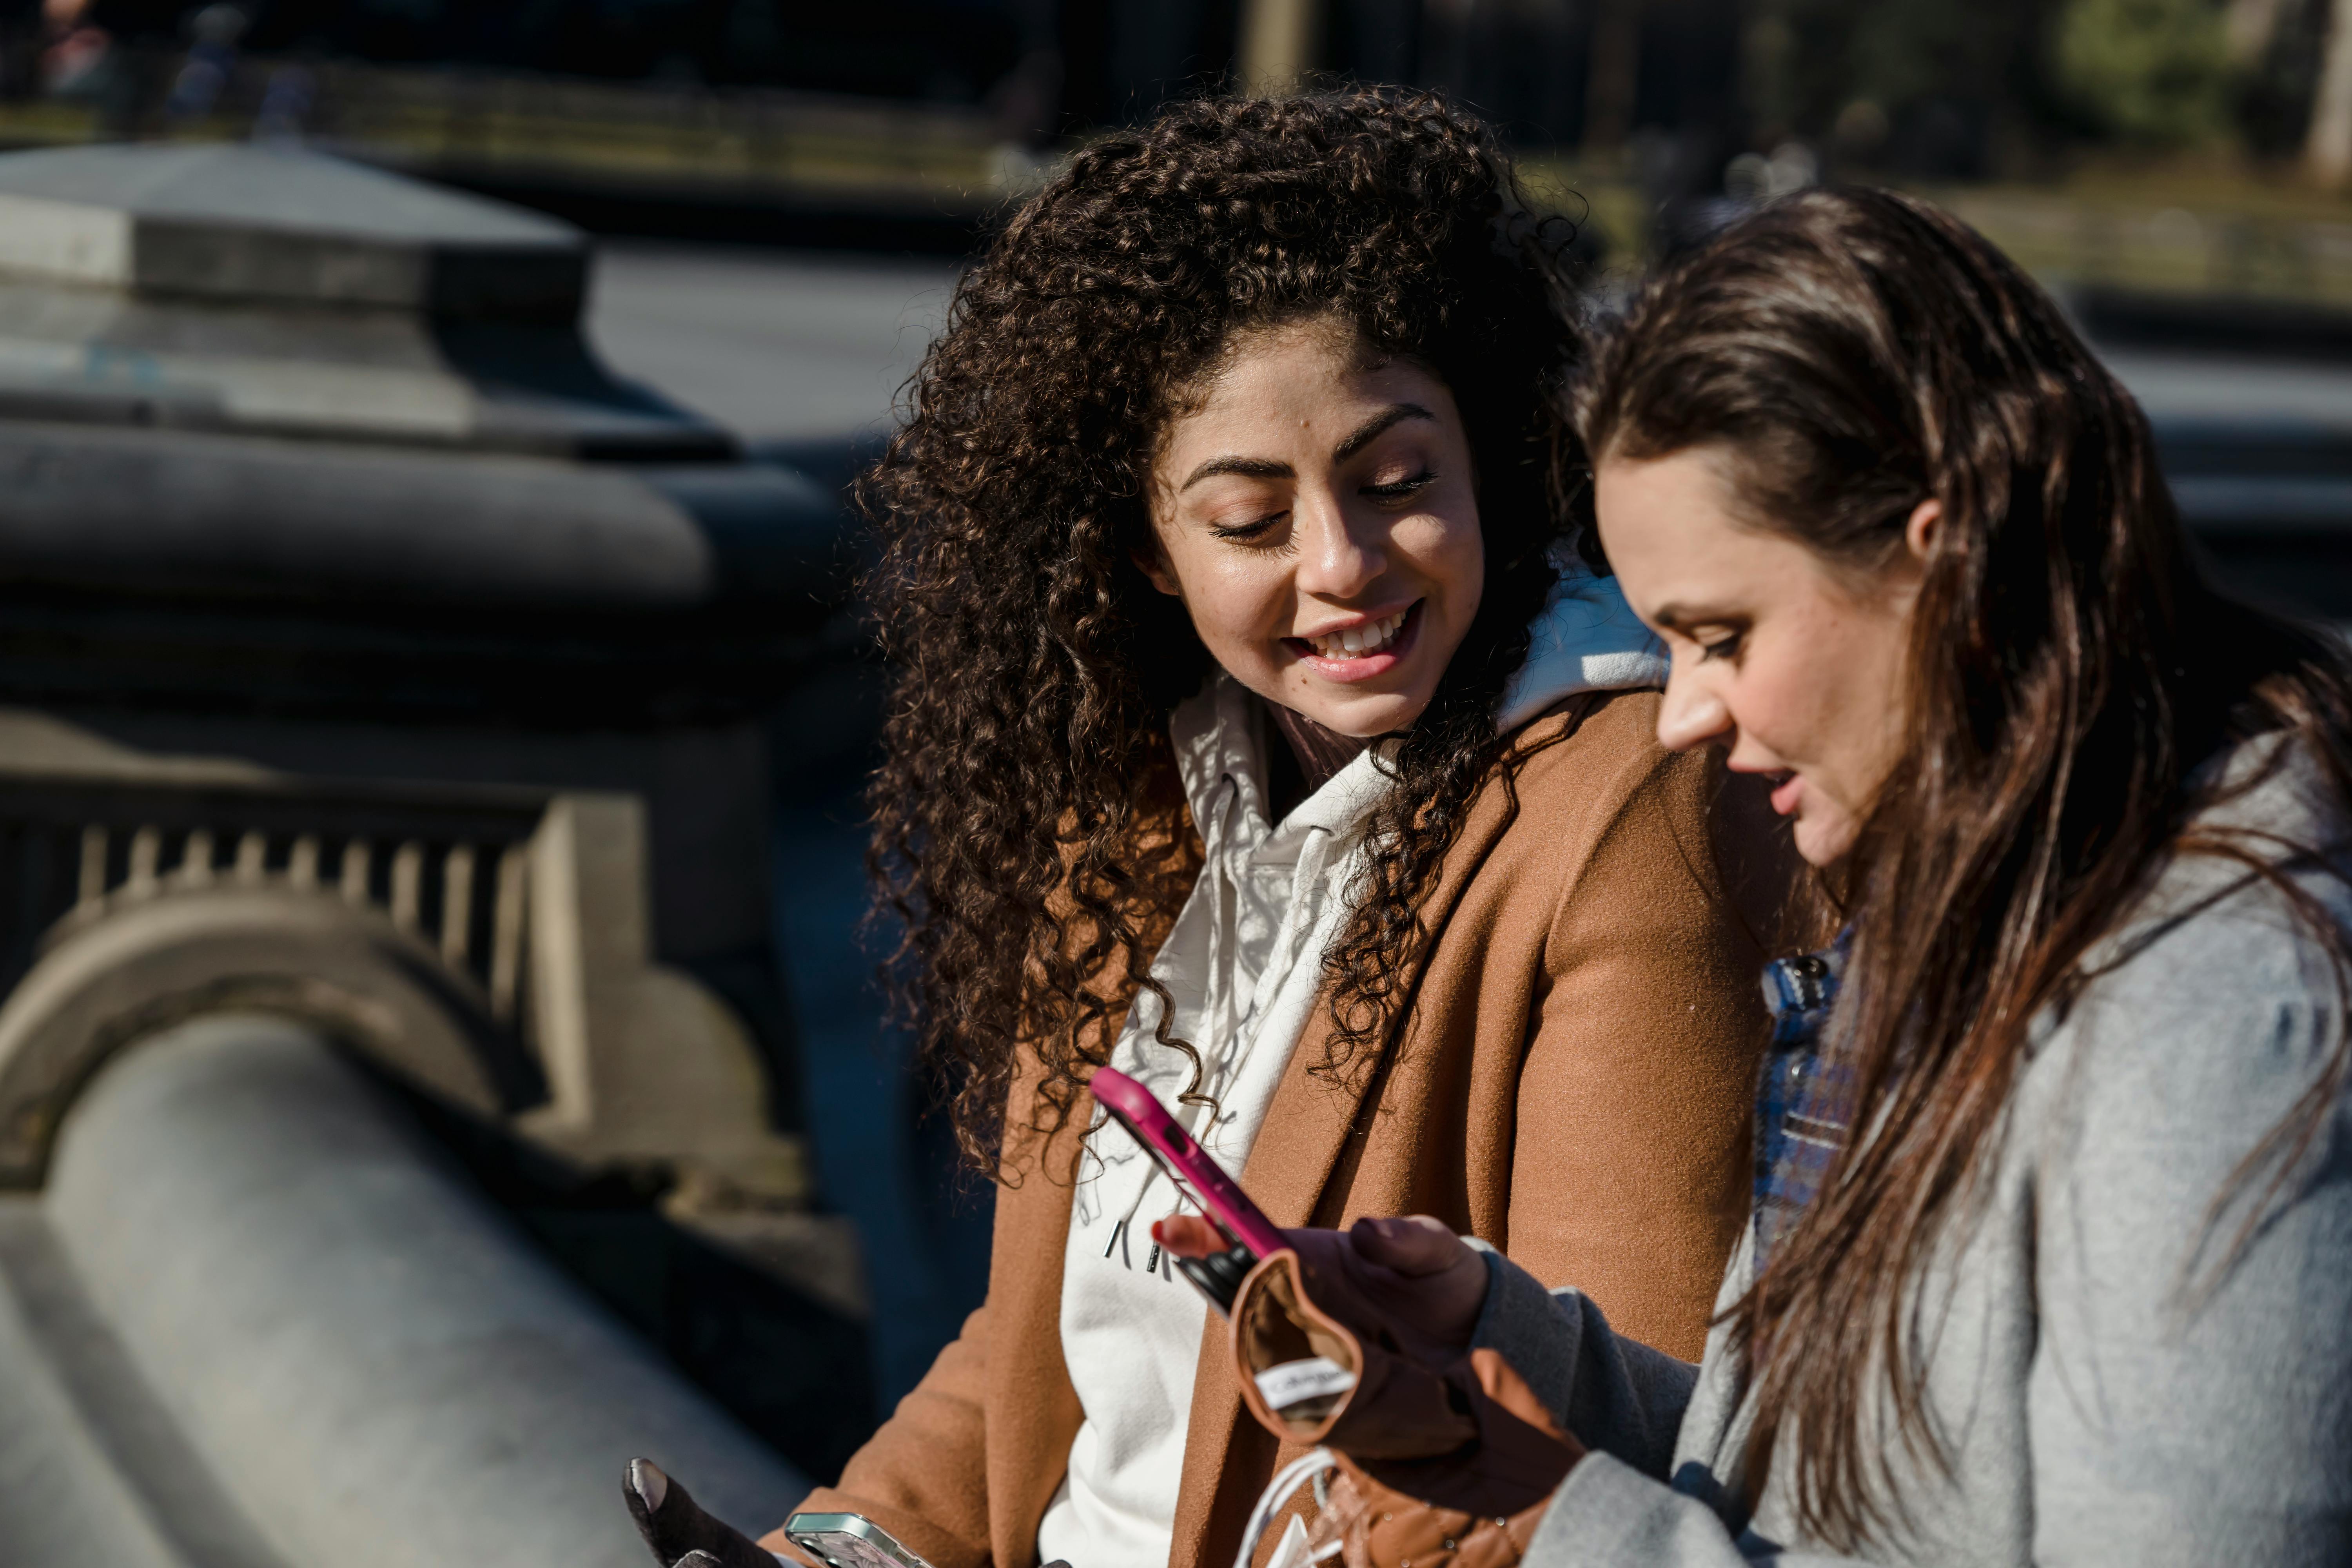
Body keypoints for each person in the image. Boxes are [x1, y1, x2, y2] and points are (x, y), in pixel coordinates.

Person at [1181, 185, 2352, 1566]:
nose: (1683, 712)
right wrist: (1509, 1344)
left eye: (1721, 633)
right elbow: (1811, 1485)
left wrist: (1556, 1528)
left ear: (1947, 562)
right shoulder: (1973, 874)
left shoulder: (2216, 1008)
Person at [754, 90, 1806, 1568]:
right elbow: (1053, 1339)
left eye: (1398, 484)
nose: (1344, 568)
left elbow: (1602, 1450)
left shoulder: (1629, 806)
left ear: (1489, 452)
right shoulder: (1134, 799)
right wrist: (836, 1547)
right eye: (1250, 522)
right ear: (1145, 545)